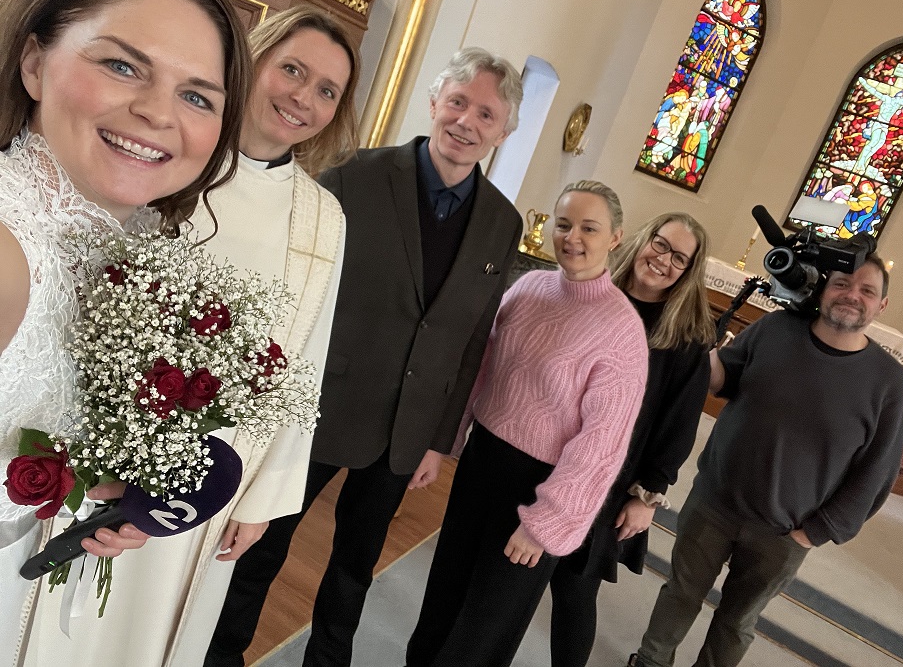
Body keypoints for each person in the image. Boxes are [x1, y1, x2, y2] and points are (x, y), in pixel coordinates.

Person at [25, 5, 355, 666]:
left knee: (147, 630)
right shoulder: (168, 156)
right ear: (251, 60)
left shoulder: (324, 218)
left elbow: (305, 364)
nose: (303, 97)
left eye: (327, 90)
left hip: (210, 466)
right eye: (291, 68)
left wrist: (266, 497)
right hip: (98, 423)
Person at [205, 47, 525, 667]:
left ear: (503, 131)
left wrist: (441, 438)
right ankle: (221, 655)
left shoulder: (501, 222)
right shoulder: (353, 175)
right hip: (323, 406)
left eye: (485, 114)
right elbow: (300, 288)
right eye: (457, 102)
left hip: (408, 430)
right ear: (434, 102)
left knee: (356, 562)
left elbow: (472, 335)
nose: (466, 122)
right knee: (265, 547)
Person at [0, 0, 251, 666]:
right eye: (121, 64)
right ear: (34, 62)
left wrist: (105, 484)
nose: (156, 112)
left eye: (198, 95)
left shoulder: (135, 249)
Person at [406, 180, 650, 667]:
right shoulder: (529, 286)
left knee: (483, 631)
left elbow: (601, 445)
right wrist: (444, 443)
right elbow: (480, 369)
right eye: (563, 224)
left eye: (589, 227)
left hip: (539, 488)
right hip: (481, 464)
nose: (572, 237)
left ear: (616, 238)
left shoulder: (622, 330)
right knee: (443, 599)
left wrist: (545, 525)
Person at [630, 255, 903, 667]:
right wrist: (703, 351)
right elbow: (723, 377)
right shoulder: (776, 329)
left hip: (785, 530)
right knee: (680, 592)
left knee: (737, 620)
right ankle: (650, 661)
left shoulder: (889, 381)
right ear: (822, 289)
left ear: (881, 305)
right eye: (842, 284)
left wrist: (815, 532)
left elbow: (877, 472)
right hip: (714, 502)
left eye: (867, 290)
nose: (852, 296)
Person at [549, 212, 715, 667]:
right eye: (660, 244)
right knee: (514, 579)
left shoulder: (687, 340)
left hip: (610, 479)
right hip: (547, 454)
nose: (663, 260)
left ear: (688, 272)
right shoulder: (594, 293)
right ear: (643, 239)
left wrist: (647, 496)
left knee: (574, 591)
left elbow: (677, 428)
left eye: (679, 258)